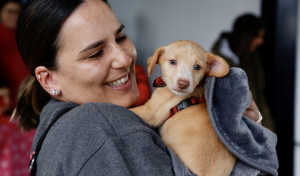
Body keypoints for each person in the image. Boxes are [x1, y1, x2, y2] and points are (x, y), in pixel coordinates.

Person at [12, 0, 277, 175]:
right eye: (95, 53)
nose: (125, 58)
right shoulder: (104, 126)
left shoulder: (55, 126)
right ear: (48, 80)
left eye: (121, 37)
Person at [211, 13, 275, 131]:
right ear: (246, 36)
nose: (261, 41)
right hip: (237, 133)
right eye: (258, 36)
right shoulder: (217, 63)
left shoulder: (252, 56)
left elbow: (259, 95)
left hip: (258, 126)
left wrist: (268, 131)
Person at [0, 0, 28, 111]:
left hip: (28, 96)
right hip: (5, 98)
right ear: (1, 13)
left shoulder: (27, 35)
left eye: (17, 12)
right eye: (9, 11)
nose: (13, 16)